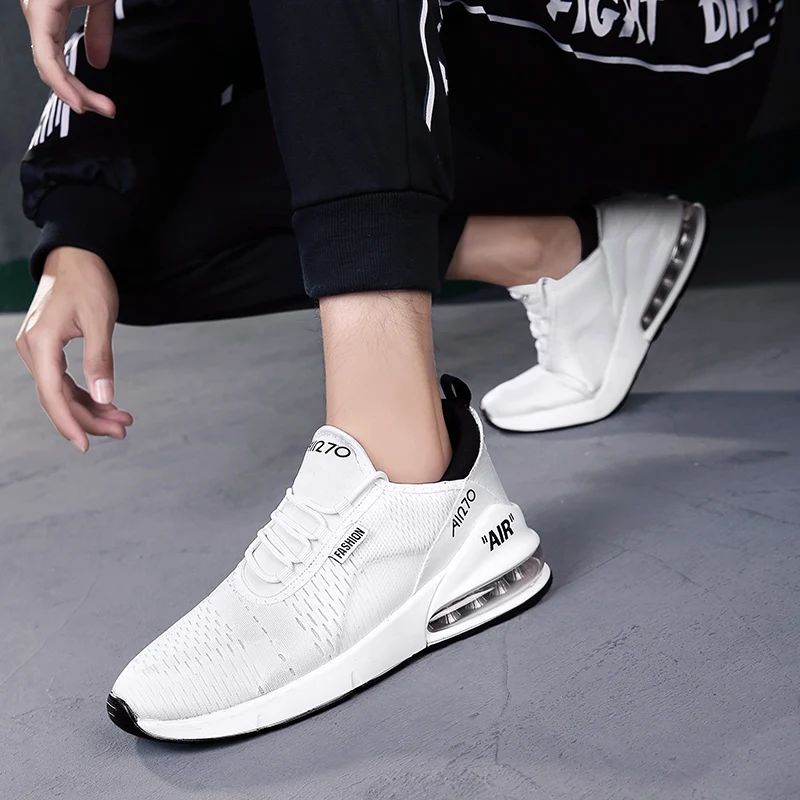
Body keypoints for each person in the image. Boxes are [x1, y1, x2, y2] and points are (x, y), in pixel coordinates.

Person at [16, 0, 781, 740]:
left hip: (653, 56)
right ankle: (557, 252)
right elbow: (160, 30)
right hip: (453, 69)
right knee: (121, 239)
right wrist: (76, 230)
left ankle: (407, 479)